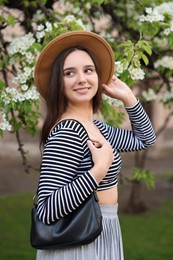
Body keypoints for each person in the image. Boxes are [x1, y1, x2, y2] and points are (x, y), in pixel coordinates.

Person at [34, 30, 156, 260]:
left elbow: (145, 139)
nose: (81, 78)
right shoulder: (68, 132)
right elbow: (47, 209)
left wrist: (129, 98)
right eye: (70, 73)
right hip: (78, 243)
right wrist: (98, 170)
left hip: (103, 230)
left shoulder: (96, 127)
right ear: (57, 83)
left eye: (88, 70)